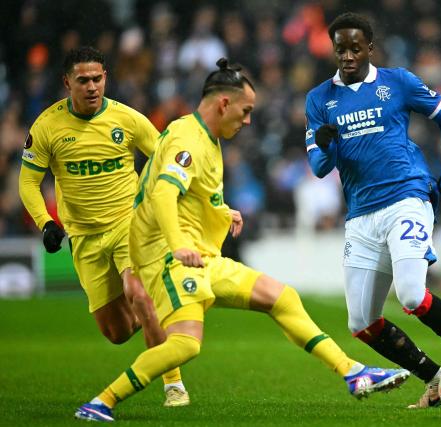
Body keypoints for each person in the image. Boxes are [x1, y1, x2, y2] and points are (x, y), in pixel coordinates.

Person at [74, 58, 410, 422]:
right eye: (245, 110)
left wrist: (222, 211)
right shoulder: (188, 141)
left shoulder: (204, 136)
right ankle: (100, 402)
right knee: (185, 344)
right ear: (223, 103)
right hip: (170, 259)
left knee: (281, 297)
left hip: (201, 258)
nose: (248, 120)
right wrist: (177, 245)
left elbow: (191, 194)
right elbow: (162, 196)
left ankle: (352, 373)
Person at [304, 12, 441, 409]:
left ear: (370, 47)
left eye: (355, 48)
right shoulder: (319, 99)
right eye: (340, 49)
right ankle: (437, 379)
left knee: (411, 294)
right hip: (361, 216)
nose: (347, 56)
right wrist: (325, 142)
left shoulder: (397, 82)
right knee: (360, 324)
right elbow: (320, 169)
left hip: (406, 197)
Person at [18, 46, 189, 407]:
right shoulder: (47, 126)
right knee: (117, 332)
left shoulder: (127, 119)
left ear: (105, 78)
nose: (92, 86)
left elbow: (165, 158)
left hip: (129, 224)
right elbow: (28, 183)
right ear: (68, 83)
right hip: (84, 238)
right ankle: (155, 312)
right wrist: (46, 222)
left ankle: (173, 384)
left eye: (97, 78)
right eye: (83, 80)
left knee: (138, 293)